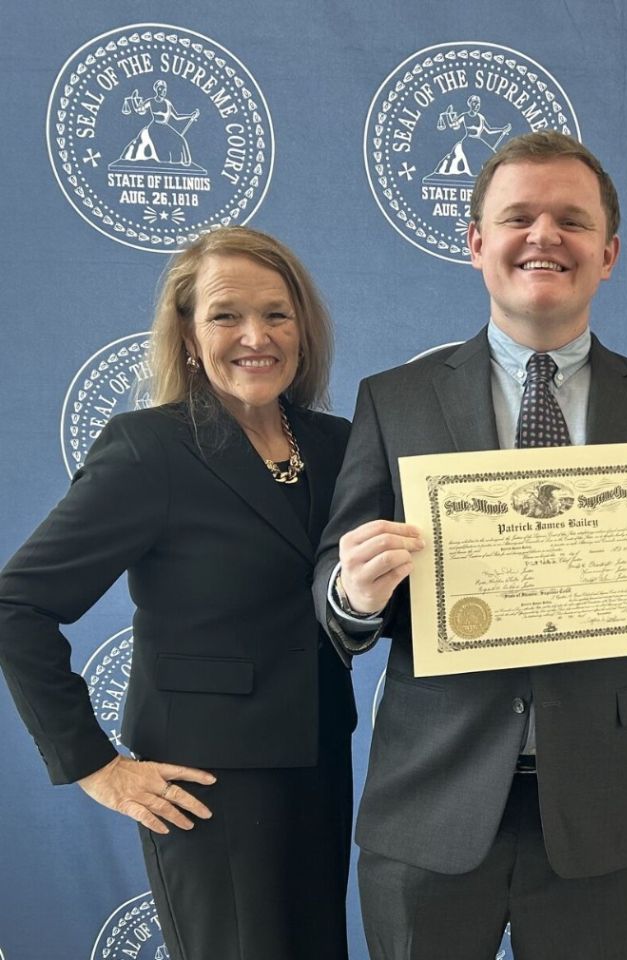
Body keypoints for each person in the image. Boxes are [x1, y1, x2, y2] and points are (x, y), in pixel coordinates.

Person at [314, 130, 627, 960]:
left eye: (571, 221)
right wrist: (354, 594)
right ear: (476, 243)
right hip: (430, 799)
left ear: (607, 254)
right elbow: (334, 581)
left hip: (605, 803)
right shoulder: (395, 400)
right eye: (518, 218)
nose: (544, 236)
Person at [0, 227, 355, 960]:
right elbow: (16, 606)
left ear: (303, 329)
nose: (256, 336)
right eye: (226, 315)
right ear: (189, 336)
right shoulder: (149, 449)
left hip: (321, 761)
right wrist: (93, 765)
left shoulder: (336, 444)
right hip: (206, 784)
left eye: (277, 314)